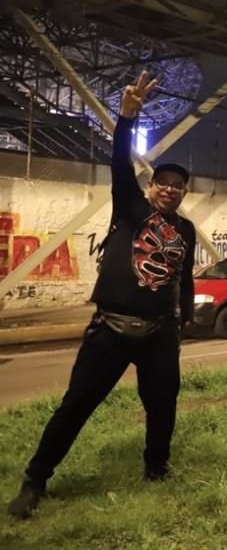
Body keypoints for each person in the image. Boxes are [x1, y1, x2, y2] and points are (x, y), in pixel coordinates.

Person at [8, 72, 196, 520]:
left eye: (178, 184)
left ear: (184, 192)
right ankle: (35, 479)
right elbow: (118, 164)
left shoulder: (186, 230)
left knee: (162, 403)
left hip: (159, 333)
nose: (170, 188)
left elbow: (183, 277)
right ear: (152, 188)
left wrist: (182, 321)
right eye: (163, 182)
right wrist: (126, 118)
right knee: (76, 405)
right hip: (110, 329)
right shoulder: (131, 208)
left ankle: (156, 467)